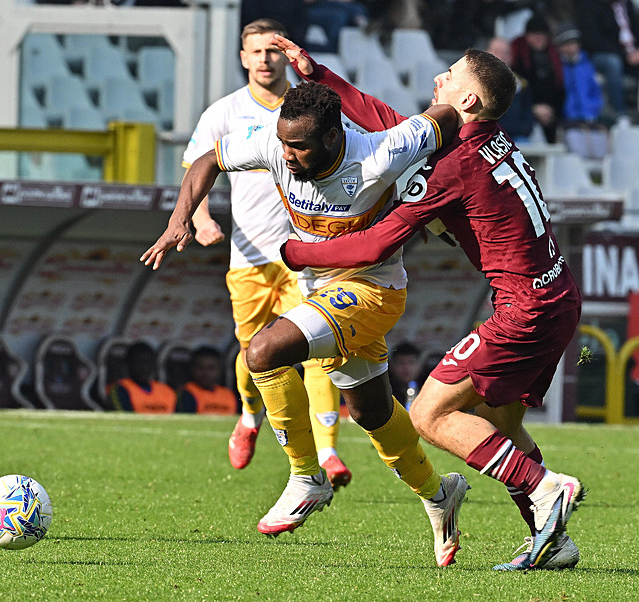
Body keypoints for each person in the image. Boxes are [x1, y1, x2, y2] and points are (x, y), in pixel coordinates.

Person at [277, 36, 586, 571]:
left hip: (525, 308)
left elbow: (375, 244)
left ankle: (545, 487)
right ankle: (553, 540)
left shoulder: (453, 166)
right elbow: (388, 121)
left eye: (450, 75)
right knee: (500, 426)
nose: (439, 80)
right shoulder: (484, 140)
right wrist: (319, 76)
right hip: (557, 297)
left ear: (466, 102)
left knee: (429, 413)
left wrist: (298, 251)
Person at [142, 80, 471, 567]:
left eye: (299, 146)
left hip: (373, 291)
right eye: (284, 143)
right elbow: (209, 159)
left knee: (263, 351)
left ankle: (305, 477)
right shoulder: (275, 144)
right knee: (371, 414)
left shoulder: (381, 152)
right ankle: (439, 492)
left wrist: (425, 194)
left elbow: (445, 118)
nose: (288, 155)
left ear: (335, 137)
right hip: (321, 291)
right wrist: (179, 220)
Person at [183, 18, 352, 488]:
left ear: (285, 55)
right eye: (255, 52)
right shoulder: (224, 112)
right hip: (249, 256)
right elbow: (196, 170)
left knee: (320, 351)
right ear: (243, 58)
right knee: (252, 351)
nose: (265, 60)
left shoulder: (309, 109)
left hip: (305, 255)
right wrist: (201, 221)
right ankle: (249, 417)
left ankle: (328, 451)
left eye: (273, 51)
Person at [576, 0, 639, 124]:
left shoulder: (628, 5)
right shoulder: (590, 6)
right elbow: (593, 41)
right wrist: (625, 55)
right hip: (602, 55)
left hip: (631, 54)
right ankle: (620, 114)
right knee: (613, 63)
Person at [510, 13, 566, 143]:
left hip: (551, 113)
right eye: (535, 34)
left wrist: (551, 111)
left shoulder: (554, 58)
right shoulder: (517, 56)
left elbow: (559, 87)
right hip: (525, 113)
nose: (539, 38)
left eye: (542, 35)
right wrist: (534, 109)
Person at [555, 23, 608, 159]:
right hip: (569, 122)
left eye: (574, 43)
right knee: (578, 156)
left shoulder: (587, 66)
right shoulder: (557, 67)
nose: (572, 47)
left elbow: (596, 92)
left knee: (601, 155)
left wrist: (593, 109)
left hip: (591, 119)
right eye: (567, 44)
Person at [486, 36, 536, 143]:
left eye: (506, 53)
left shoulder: (522, 84)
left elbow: (528, 121)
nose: (502, 56)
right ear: (486, 53)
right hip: (487, 138)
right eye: (497, 52)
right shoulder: (475, 83)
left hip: (518, 138)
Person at [108, 341, 177, 413]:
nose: (144, 368)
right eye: (138, 363)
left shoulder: (167, 391)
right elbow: (125, 420)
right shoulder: (121, 390)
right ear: (128, 364)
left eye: (147, 363)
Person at [176, 345, 238, 415]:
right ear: (192, 369)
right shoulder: (186, 392)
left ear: (220, 369)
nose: (205, 373)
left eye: (211, 368)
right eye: (200, 367)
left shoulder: (228, 395)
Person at [388, 341, 421, 410]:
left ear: (419, 365)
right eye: (401, 363)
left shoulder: (427, 388)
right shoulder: (387, 391)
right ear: (392, 366)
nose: (406, 367)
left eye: (411, 363)